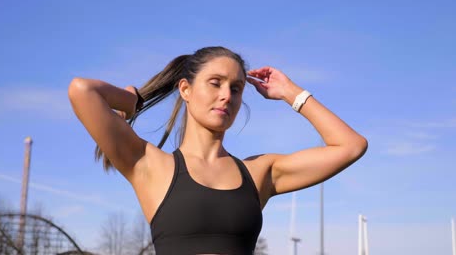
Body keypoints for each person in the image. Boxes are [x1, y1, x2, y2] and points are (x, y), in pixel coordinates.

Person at [68, 46, 367, 255]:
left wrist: (291, 92)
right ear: (185, 89)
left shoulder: (259, 173)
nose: (226, 95)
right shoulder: (149, 165)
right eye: (215, 83)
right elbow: (82, 90)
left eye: (236, 88)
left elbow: (351, 146)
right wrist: (131, 101)